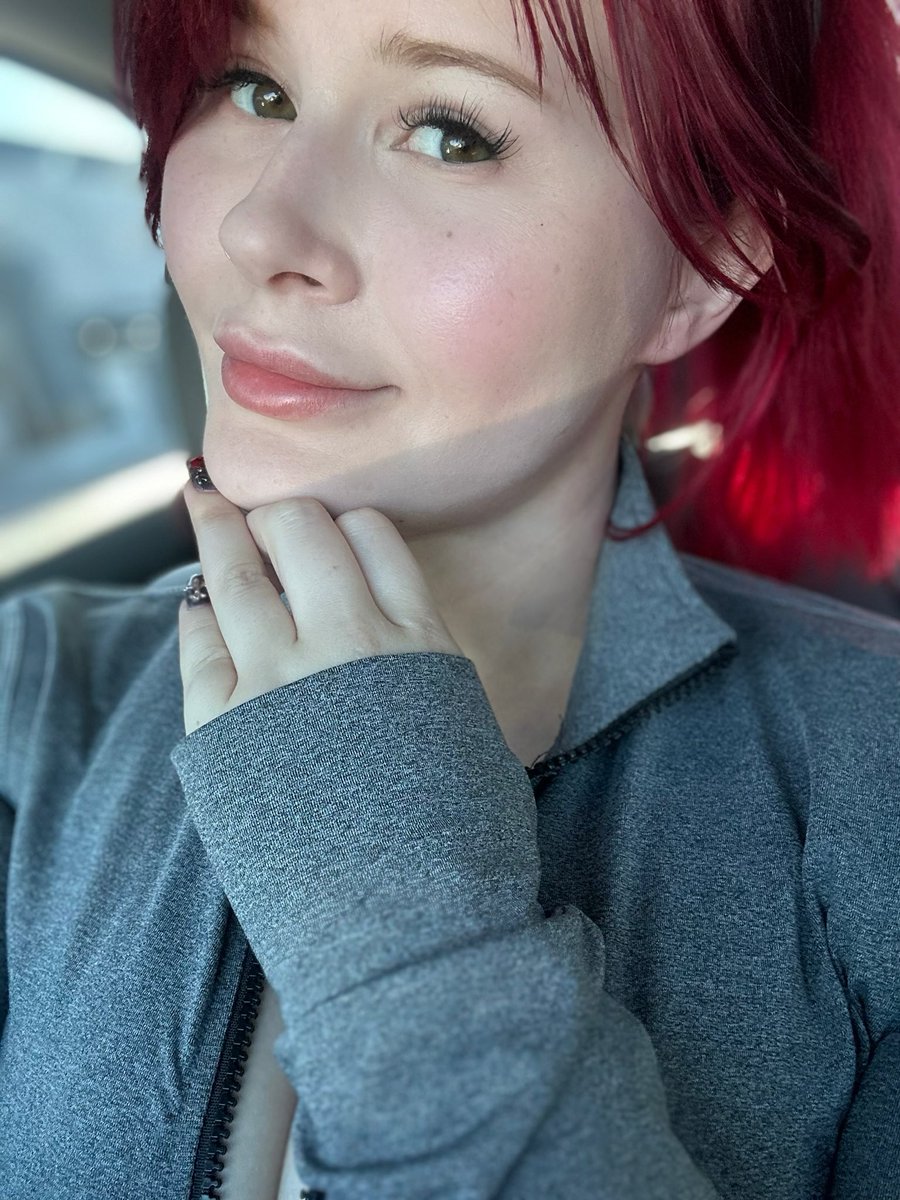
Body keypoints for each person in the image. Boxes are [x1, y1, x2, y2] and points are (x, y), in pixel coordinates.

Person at [1, 0, 898, 1196]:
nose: (261, 224)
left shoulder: (873, 793)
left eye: (448, 133)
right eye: (255, 90)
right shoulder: (32, 697)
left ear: (703, 263)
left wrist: (399, 915)